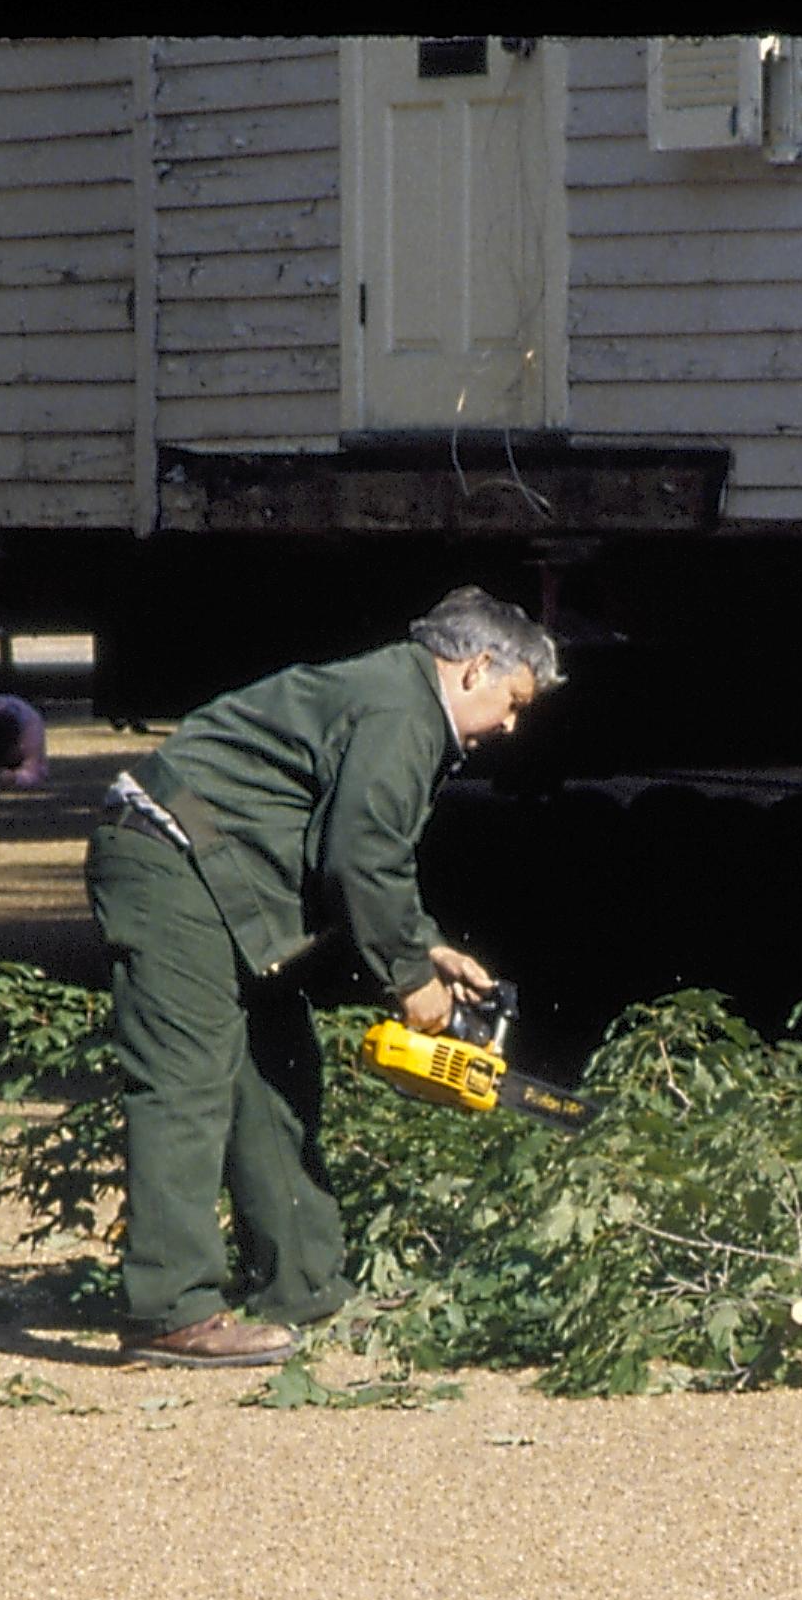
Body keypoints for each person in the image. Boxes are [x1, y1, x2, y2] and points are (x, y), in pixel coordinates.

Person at [86, 585, 558, 1368]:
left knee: (277, 1072)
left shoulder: (398, 698)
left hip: (221, 873)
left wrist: (422, 945)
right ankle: (169, 1311)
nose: (510, 725)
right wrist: (412, 982)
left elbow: (354, 846)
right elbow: (361, 856)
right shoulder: (404, 710)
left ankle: (305, 1286)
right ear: (476, 669)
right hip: (172, 861)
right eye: (512, 702)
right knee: (187, 1082)